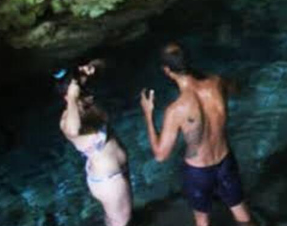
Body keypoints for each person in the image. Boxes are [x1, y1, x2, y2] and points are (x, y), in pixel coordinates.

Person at [140, 42, 254, 226]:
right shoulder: (217, 83)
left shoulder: (176, 110)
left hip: (198, 172)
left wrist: (148, 115)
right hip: (225, 160)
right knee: (242, 213)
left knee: (202, 220)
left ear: (167, 70)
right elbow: (236, 88)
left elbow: (161, 155)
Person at [58, 60, 132, 226]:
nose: (87, 93)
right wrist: (71, 99)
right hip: (108, 179)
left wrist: (91, 68)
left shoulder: (87, 103)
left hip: (117, 171)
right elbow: (73, 130)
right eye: (81, 91)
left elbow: (103, 65)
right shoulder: (67, 119)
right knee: (121, 221)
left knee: (116, 219)